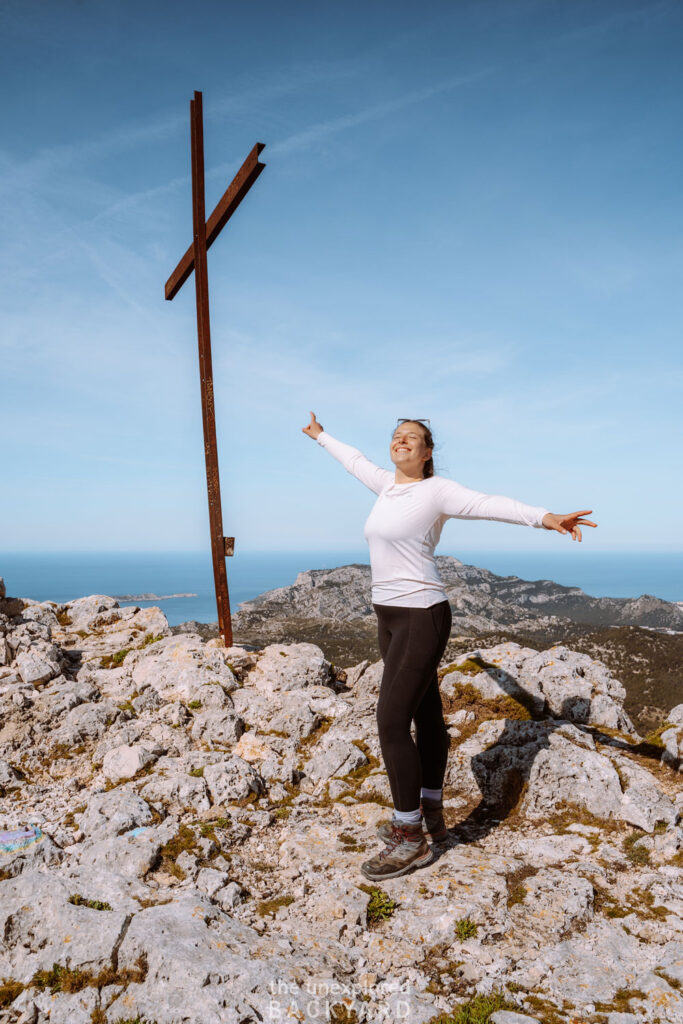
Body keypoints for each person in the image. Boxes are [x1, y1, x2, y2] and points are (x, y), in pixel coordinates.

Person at [302, 412, 597, 880]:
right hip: (390, 616)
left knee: (391, 720)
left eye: (412, 438)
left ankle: (410, 835)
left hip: (422, 613)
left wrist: (547, 518)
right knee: (426, 716)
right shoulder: (386, 485)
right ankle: (432, 815)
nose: (401, 441)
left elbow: (488, 504)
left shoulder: (435, 491)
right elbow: (353, 460)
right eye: (397, 436)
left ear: (427, 452)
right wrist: (321, 437)